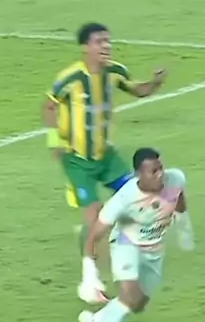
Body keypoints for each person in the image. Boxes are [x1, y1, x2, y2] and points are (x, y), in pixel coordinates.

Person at [43, 23, 168, 254]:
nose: (106, 46)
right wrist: (55, 141)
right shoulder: (71, 78)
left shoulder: (115, 72)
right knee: (94, 211)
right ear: (85, 47)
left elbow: (137, 90)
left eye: (108, 41)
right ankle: (91, 261)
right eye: (99, 41)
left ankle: (127, 240)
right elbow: (49, 106)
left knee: (138, 195)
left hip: (106, 156)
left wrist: (155, 83)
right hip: (77, 159)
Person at [77, 147, 195, 322]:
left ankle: (95, 320)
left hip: (154, 250)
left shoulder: (174, 179)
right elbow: (94, 235)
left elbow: (178, 197)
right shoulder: (125, 199)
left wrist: (184, 228)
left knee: (137, 304)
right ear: (139, 174)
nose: (161, 174)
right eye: (154, 171)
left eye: (161, 168)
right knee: (128, 298)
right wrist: (89, 271)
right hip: (126, 245)